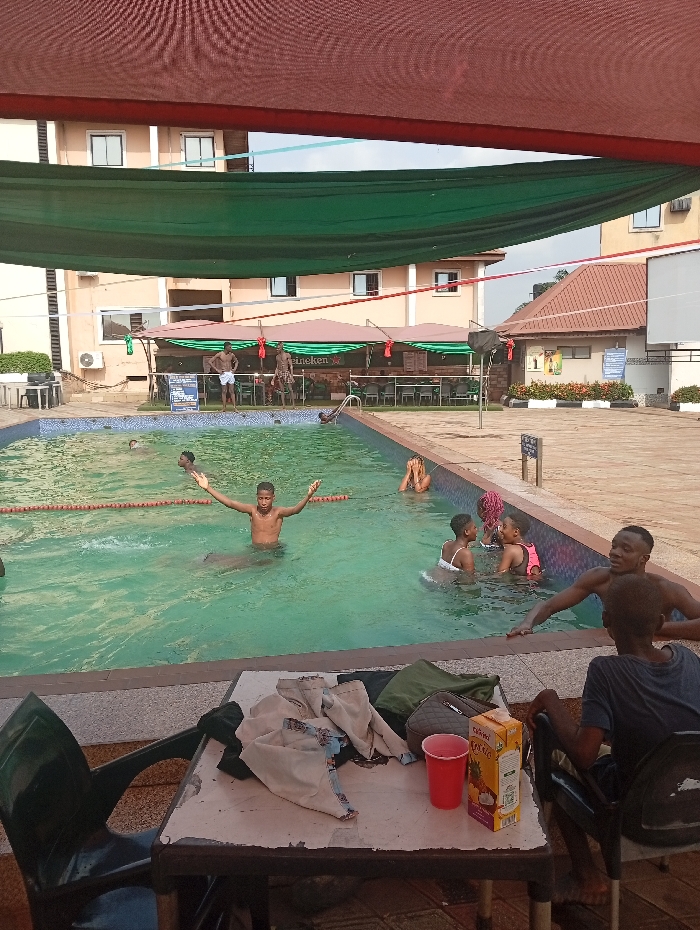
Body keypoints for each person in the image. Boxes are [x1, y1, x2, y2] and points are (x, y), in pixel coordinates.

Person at [526, 574, 700, 905]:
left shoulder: (606, 672)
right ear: (660, 622)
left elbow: (584, 755)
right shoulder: (689, 660)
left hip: (633, 814)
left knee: (553, 756)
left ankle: (586, 877)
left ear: (606, 620)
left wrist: (550, 699)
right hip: (692, 804)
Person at [507, 524, 700, 637]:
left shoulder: (665, 589)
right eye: (614, 546)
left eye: (626, 549)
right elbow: (548, 605)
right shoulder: (599, 578)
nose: (615, 553)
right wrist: (527, 623)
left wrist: (652, 628)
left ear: (644, 559)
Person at [190, 474, 321, 547]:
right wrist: (208, 488)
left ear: (273, 498)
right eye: (261, 498)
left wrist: (308, 496)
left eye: (267, 499)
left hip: (274, 550)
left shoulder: (278, 512)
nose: (264, 502)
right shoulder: (252, 510)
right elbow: (230, 503)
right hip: (256, 550)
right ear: (256, 497)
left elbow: (295, 510)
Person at [496, 512, 541, 577]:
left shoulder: (511, 550)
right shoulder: (532, 547)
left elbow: (500, 576)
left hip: (521, 583)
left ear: (516, 532)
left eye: (504, 527)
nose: (501, 530)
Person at [209, 342, 239, 412]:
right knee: (224, 391)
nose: (231, 348)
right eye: (230, 347)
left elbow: (236, 361)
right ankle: (224, 408)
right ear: (226, 347)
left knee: (232, 391)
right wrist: (217, 370)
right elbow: (210, 361)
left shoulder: (231, 354)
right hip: (224, 373)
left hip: (230, 373)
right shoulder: (220, 354)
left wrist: (234, 369)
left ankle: (235, 408)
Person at [274, 342, 295, 408]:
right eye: (276, 348)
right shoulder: (277, 357)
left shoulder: (287, 355)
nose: (277, 350)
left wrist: (291, 376)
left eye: (278, 348)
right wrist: (273, 378)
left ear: (281, 348)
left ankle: (293, 405)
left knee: (290, 389)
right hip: (280, 373)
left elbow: (291, 366)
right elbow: (277, 367)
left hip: (286, 372)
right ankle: (283, 405)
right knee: (282, 390)